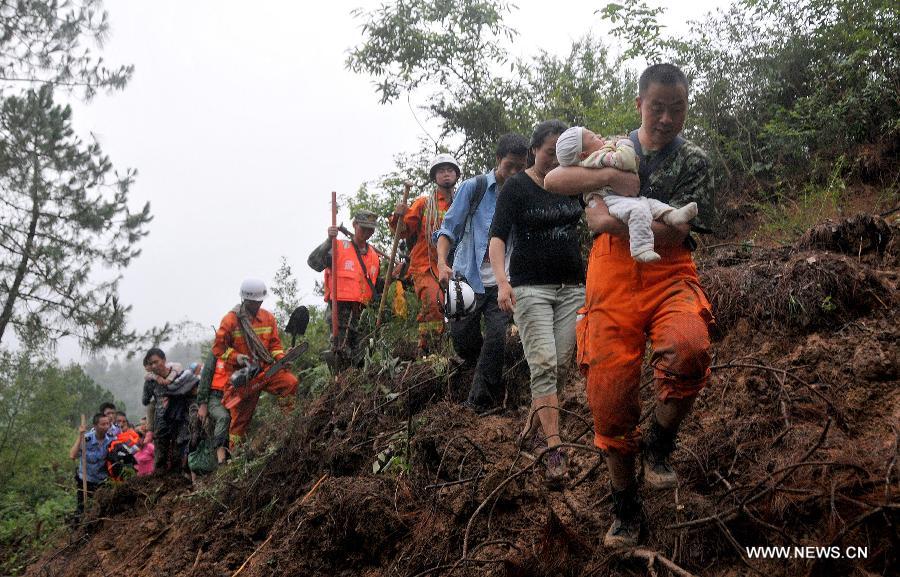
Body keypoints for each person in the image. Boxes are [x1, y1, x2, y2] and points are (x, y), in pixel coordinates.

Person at [545, 63, 716, 548]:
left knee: (689, 348)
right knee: (609, 400)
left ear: (686, 108)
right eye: (657, 107)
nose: (666, 118)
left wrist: (614, 221)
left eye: (676, 109)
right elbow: (557, 179)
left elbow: (675, 230)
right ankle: (625, 507)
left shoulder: (695, 161)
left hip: (670, 271)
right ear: (639, 104)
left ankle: (660, 443)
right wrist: (610, 202)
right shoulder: (611, 149)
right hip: (611, 280)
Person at [488, 120, 585, 486]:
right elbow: (497, 238)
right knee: (542, 364)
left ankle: (533, 426)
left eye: (562, 152)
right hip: (531, 290)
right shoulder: (516, 187)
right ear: (534, 150)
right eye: (549, 152)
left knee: (559, 366)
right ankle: (554, 450)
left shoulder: (573, 180)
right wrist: (502, 282)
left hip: (573, 287)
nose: (555, 159)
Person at [433, 133, 529, 413]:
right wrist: (441, 262)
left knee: (498, 334)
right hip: (468, 278)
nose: (514, 173)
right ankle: (480, 368)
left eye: (520, 167)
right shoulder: (473, 188)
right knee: (462, 339)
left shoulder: (522, 192)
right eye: (509, 165)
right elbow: (448, 228)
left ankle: (478, 401)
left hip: (503, 280)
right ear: (498, 160)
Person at [555, 127, 698, 263]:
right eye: (593, 137)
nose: (599, 136)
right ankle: (640, 248)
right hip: (610, 200)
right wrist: (624, 143)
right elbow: (626, 161)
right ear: (583, 155)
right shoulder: (595, 158)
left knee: (651, 204)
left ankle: (672, 215)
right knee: (637, 211)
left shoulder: (597, 155)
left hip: (623, 198)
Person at [211, 278, 298, 447]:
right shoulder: (230, 321)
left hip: (266, 370)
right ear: (245, 299)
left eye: (259, 301)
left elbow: (274, 345)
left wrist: (281, 359)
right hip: (243, 377)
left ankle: (288, 426)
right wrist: (237, 357)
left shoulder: (267, 318)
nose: (257, 305)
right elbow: (219, 349)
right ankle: (235, 459)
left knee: (290, 383)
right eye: (253, 302)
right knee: (239, 423)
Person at [389, 154, 461, 354]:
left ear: (456, 174)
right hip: (426, 265)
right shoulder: (423, 203)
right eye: (441, 171)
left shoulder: (463, 202)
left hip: (456, 265)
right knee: (433, 303)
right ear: (434, 177)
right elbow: (402, 231)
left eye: (449, 170)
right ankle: (429, 351)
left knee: (460, 310)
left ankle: (454, 350)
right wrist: (398, 216)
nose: (446, 174)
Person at [307, 211, 382, 368]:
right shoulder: (338, 247)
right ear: (354, 225)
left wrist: (395, 275)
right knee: (341, 351)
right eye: (364, 229)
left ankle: (357, 385)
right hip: (340, 310)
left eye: (371, 230)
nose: (367, 233)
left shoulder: (374, 255)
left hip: (362, 311)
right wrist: (328, 240)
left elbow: (375, 286)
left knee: (362, 354)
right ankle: (339, 385)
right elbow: (314, 263)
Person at [142, 348, 196, 473]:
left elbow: (190, 392)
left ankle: (178, 482)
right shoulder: (150, 382)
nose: (154, 365)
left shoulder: (179, 375)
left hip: (180, 419)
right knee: (160, 455)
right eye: (151, 364)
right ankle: (159, 482)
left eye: (156, 361)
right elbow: (145, 400)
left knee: (179, 452)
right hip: (161, 422)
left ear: (164, 360)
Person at [69, 412, 115, 521]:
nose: (106, 427)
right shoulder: (86, 439)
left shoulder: (112, 441)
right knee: (82, 511)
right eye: (102, 424)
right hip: (86, 481)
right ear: (95, 426)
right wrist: (80, 436)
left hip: (102, 482)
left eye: (108, 424)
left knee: (99, 511)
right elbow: (72, 455)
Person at [196, 351, 230, 465]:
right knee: (223, 417)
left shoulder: (241, 349)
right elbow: (205, 378)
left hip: (233, 394)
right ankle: (221, 460)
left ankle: (236, 454)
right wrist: (203, 403)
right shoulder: (216, 353)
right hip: (215, 395)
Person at [106, 412, 141, 481]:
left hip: (131, 472)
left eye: (124, 421)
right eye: (119, 421)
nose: (121, 424)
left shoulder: (133, 436)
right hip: (113, 475)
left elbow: (136, 451)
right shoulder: (108, 438)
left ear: (127, 424)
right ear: (115, 423)